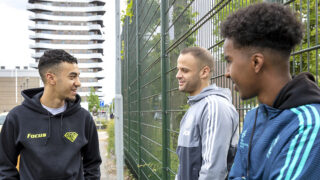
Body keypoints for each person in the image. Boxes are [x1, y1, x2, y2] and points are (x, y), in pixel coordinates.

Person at [221, 2, 320, 179]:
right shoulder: (253, 117)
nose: (227, 73)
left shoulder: (309, 125)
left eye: (229, 61)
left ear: (256, 63)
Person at [0, 49, 101, 179]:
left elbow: (92, 165)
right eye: (72, 76)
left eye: (78, 76)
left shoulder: (84, 118)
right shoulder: (17, 118)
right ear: (51, 78)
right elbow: (4, 167)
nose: (78, 83)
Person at [175, 47, 239, 180]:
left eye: (184, 70)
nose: (178, 75)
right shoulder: (194, 107)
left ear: (204, 72)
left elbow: (213, 172)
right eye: (178, 69)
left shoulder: (214, 107)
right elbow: (183, 166)